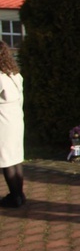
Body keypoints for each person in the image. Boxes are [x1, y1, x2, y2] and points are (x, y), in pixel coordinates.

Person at [0, 41, 25, 208]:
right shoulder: (14, 74)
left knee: (6, 159)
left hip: (3, 120)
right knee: (15, 158)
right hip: (16, 119)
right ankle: (19, 194)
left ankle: (14, 196)